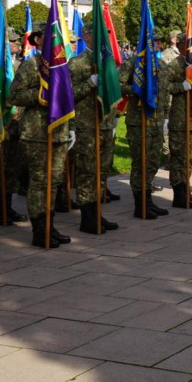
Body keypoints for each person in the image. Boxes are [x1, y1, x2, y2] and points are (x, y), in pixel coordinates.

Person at [11, 25, 89, 246]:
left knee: (53, 182)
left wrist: (71, 126)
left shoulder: (61, 65)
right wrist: (42, 93)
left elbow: (67, 97)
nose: (55, 41)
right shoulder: (31, 65)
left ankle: (49, 225)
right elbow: (14, 96)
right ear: (37, 40)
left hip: (59, 131)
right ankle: (39, 230)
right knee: (39, 182)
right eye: (49, 37)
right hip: (37, 133)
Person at [68, 24, 120, 234]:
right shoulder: (77, 63)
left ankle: (97, 212)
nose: (104, 38)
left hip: (105, 124)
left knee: (102, 171)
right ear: (87, 36)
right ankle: (87, 217)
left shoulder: (107, 61)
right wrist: (89, 83)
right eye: (100, 34)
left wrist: (114, 118)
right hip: (87, 126)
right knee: (88, 172)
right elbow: (67, 94)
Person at [118, 30, 172, 218]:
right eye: (154, 41)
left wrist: (165, 116)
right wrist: (137, 90)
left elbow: (165, 92)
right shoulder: (133, 63)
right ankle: (140, 204)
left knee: (153, 162)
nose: (157, 44)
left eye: (159, 41)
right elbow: (118, 85)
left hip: (157, 121)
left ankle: (148, 200)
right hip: (138, 122)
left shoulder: (161, 64)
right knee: (140, 163)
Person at [0, 27, 29, 226]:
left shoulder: (21, 64)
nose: (16, 44)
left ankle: (7, 207)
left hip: (17, 124)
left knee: (12, 168)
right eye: (12, 41)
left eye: (17, 41)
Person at [163, 33, 192, 210]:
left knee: (189, 159)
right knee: (178, 159)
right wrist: (181, 87)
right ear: (181, 46)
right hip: (180, 120)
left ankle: (186, 189)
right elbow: (163, 86)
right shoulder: (174, 65)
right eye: (189, 45)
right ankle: (179, 193)